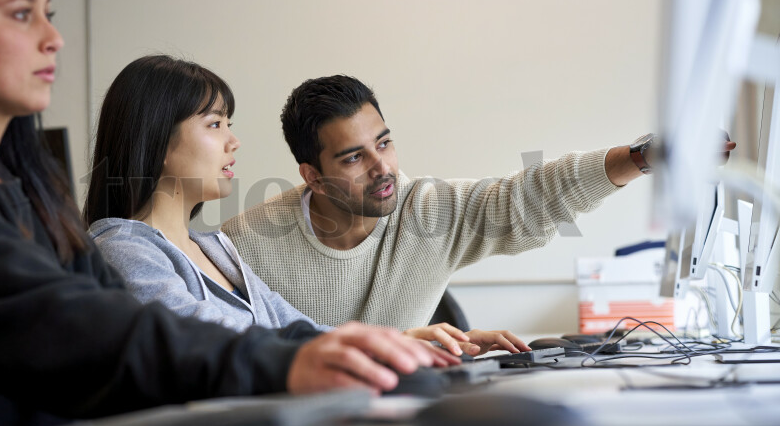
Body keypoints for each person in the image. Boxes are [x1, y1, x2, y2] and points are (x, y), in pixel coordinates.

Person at [0, 0, 452, 426]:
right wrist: (289, 365)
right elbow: (77, 328)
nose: (53, 38)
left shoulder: (26, 190)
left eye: (48, 14)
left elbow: (136, 317)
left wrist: (371, 348)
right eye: (20, 14)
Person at [84, 55, 528, 357]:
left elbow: (296, 331)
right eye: (215, 124)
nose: (233, 141)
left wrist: (413, 343)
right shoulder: (124, 248)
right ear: (157, 141)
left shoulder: (214, 248)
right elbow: (215, 345)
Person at [222, 75, 733, 330]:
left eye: (385, 143)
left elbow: (530, 197)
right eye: (354, 157)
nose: (383, 168)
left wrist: (644, 157)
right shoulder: (246, 247)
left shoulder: (425, 209)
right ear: (313, 177)